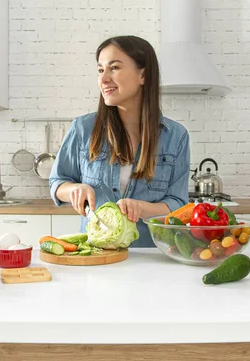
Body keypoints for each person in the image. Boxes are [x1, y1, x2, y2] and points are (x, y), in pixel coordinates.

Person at [49, 35, 190, 247]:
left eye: (114, 68)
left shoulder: (176, 136)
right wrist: (74, 189)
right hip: (97, 254)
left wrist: (141, 208)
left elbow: (178, 204)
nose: (103, 78)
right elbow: (58, 182)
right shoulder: (83, 128)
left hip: (150, 255)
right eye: (100, 70)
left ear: (142, 75)